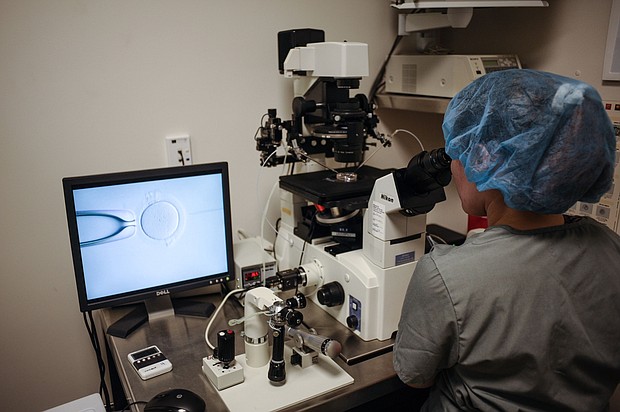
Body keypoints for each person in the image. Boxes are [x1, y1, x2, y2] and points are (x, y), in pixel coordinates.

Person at [393, 69, 620, 411]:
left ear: (484, 159)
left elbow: (414, 376)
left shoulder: (447, 276)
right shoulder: (610, 248)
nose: (454, 165)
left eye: (460, 149)